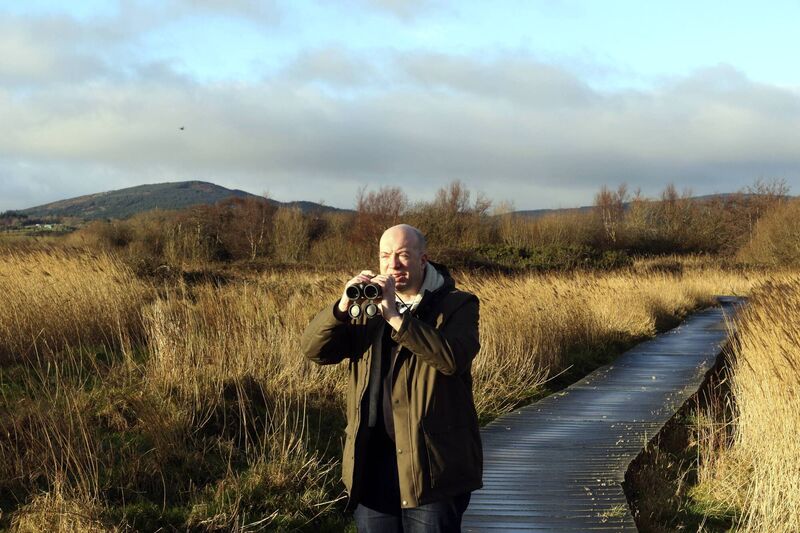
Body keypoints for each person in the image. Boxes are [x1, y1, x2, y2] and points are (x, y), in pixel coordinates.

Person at [300, 224, 482, 533]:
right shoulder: (365, 308)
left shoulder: (457, 305)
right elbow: (315, 351)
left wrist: (397, 318)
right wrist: (342, 307)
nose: (393, 265)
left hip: (431, 467)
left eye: (402, 255)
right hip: (372, 464)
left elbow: (452, 359)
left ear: (423, 259)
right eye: (385, 256)